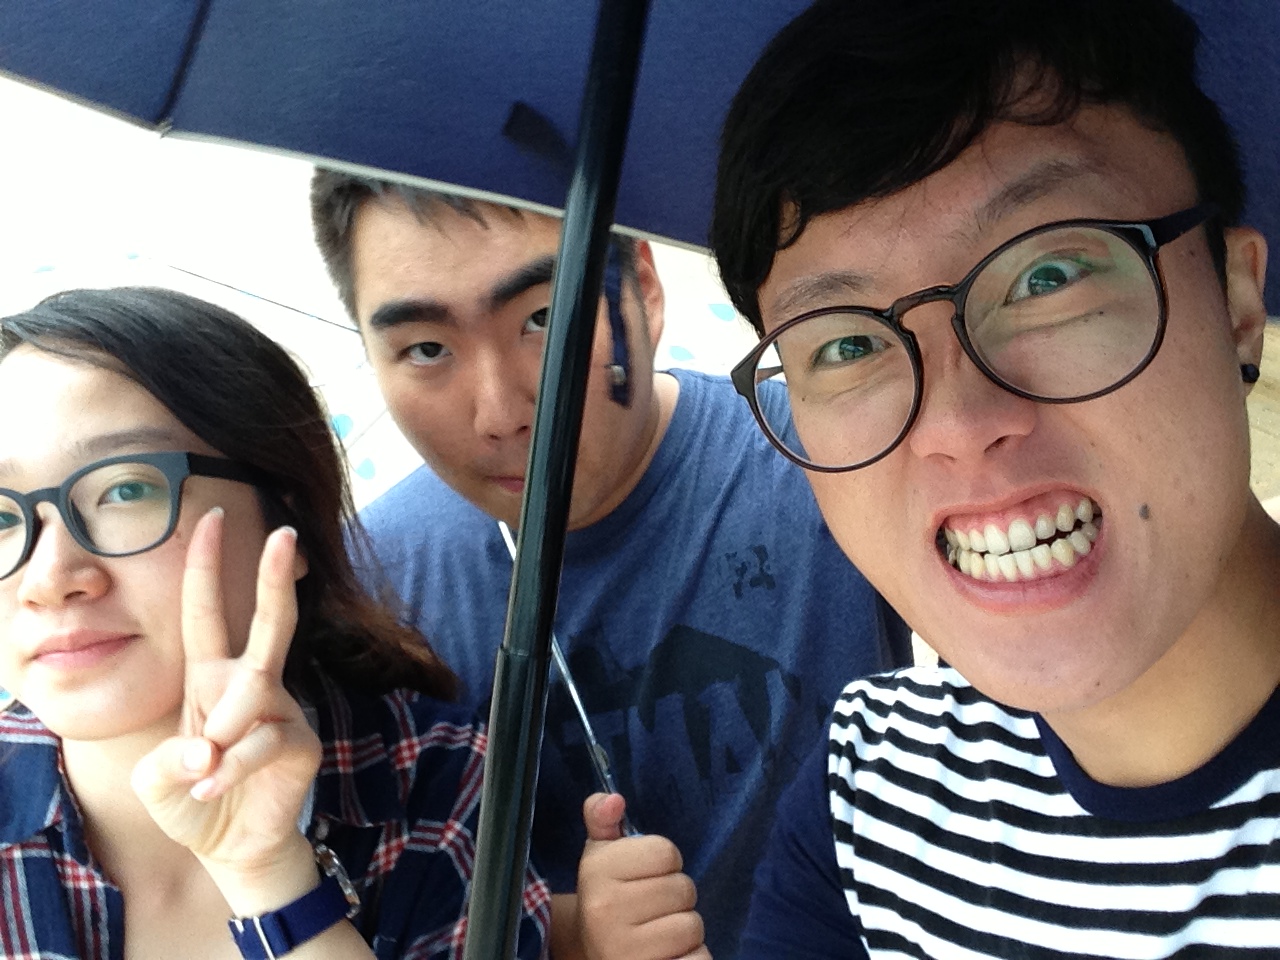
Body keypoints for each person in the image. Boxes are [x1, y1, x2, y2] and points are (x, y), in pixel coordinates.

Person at [706, 0, 1280, 956]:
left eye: (1047, 277)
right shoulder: (869, 795)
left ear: (1235, 302)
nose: (958, 425)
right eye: (847, 344)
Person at [309, 177, 911, 958]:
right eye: (427, 349)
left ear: (646, 292)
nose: (500, 413)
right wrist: (564, 933)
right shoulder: (368, 594)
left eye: (544, 318)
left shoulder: (832, 457)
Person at [0, 287, 549, 959]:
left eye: (126, 490)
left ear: (285, 521)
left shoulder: (433, 784)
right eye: (0, 516)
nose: (50, 578)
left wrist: (268, 876)